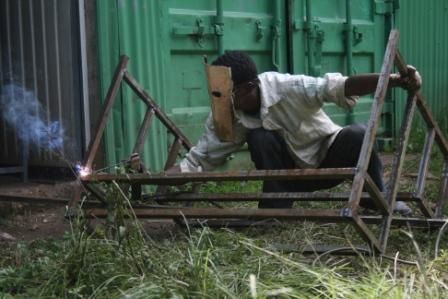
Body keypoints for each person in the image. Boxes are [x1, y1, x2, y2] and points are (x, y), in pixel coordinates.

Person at [170, 51, 421, 214]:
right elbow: (199, 159)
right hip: (289, 174)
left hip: (328, 162)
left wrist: (396, 79)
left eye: (226, 94)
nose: (221, 101)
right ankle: (276, 208)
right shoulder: (229, 114)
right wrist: (153, 180)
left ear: (248, 88)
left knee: (358, 133)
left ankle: (378, 198)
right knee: (259, 136)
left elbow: (339, 86)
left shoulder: (288, 87)